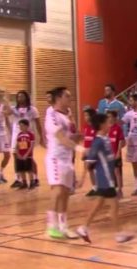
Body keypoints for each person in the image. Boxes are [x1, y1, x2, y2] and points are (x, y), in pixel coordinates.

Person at [76, 113, 134, 244]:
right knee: (114, 205)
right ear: (101, 125)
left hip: (109, 177)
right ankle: (118, 234)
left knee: (99, 204)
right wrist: (82, 179)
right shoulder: (97, 142)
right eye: (107, 122)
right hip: (105, 178)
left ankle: (83, 227)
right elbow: (89, 161)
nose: (110, 124)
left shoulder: (106, 138)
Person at [44, 87, 84, 239]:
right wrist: (80, 149)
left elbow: (70, 136)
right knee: (57, 191)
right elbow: (61, 138)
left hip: (67, 158)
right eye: (67, 96)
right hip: (56, 158)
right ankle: (51, 227)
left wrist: (78, 135)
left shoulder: (66, 116)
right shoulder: (51, 115)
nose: (70, 99)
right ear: (59, 98)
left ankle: (63, 226)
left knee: (65, 193)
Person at [9, 90, 44, 188]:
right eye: (18, 96)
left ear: (26, 97)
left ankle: (35, 178)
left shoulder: (32, 109)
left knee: (28, 157)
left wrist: (41, 136)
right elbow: (5, 112)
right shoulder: (14, 109)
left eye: (22, 96)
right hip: (17, 135)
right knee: (16, 156)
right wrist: (5, 98)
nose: (20, 98)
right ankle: (19, 179)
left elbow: (38, 123)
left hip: (27, 136)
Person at [107, 111, 125, 198]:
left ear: (114, 117)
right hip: (107, 155)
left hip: (115, 154)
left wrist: (118, 152)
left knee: (117, 172)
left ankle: (120, 190)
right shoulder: (106, 128)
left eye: (110, 116)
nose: (108, 118)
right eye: (107, 116)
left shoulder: (118, 128)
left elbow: (121, 141)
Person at [14, 120, 36, 190]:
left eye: (22, 126)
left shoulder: (31, 135)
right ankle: (24, 183)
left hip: (28, 155)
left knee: (29, 169)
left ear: (27, 126)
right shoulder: (19, 134)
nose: (20, 127)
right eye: (20, 126)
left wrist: (27, 154)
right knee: (21, 170)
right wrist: (17, 153)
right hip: (20, 155)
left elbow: (31, 146)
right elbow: (17, 145)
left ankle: (32, 183)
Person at [82, 108, 97, 195]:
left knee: (96, 170)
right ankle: (94, 187)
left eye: (87, 115)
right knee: (90, 169)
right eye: (84, 115)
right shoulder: (85, 127)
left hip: (95, 152)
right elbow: (86, 140)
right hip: (88, 152)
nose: (85, 117)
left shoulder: (96, 127)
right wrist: (84, 151)